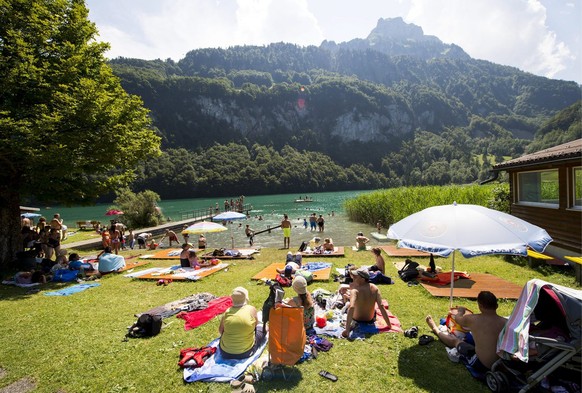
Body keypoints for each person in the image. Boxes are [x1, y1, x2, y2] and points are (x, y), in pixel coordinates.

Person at [425, 291, 507, 371]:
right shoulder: (505, 322)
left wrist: (461, 311)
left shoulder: (473, 319)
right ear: (496, 306)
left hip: (483, 364)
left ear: (480, 306)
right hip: (502, 363)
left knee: (456, 341)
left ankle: (435, 329)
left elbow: (457, 319)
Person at [342, 267, 391, 338]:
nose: (354, 277)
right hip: (369, 319)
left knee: (348, 304)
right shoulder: (374, 287)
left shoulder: (355, 291)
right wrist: (389, 325)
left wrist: (347, 329)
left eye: (356, 276)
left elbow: (352, 307)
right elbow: (381, 306)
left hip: (356, 319)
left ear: (362, 279)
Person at [218, 287, 266, 359]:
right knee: (264, 328)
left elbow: (221, 331)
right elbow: (255, 325)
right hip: (246, 352)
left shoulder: (227, 312)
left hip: (225, 353)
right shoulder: (251, 309)